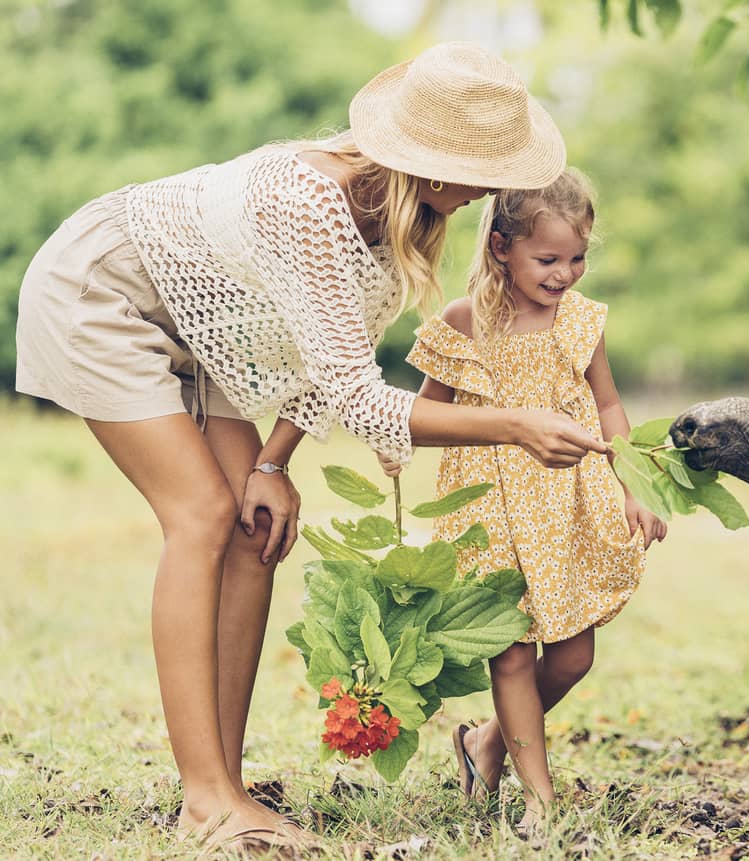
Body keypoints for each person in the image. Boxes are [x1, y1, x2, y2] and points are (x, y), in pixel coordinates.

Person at [12, 43, 608, 854]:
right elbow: (362, 402)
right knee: (201, 515)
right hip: (105, 292)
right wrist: (514, 422)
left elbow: (325, 366)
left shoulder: (401, 223)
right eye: (480, 173)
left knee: (257, 533)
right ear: (428, 163)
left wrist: (273, 462)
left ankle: (223, 777)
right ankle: (206, 800)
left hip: (205, 330)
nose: (489, 195)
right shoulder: (309, 200)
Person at [401, 169, 665, 835]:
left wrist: (637, 486)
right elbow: (420, 415)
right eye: (548, 259)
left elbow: (607, 404)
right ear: (500, 247)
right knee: (512, 653)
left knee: (573, 656)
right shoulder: (465, 323)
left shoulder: (580, 321)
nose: (565, 273)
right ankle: (538, 797)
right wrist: (392, 449)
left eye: (576, 257)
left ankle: (485, 741)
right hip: (487, 508)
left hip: (565, 507)